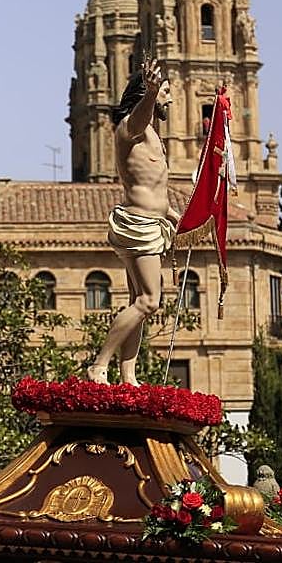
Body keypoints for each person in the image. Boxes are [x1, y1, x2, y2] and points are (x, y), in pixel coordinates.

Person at [88, 57, 179, 385]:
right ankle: (99, 364)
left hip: (154, 223)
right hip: (139, 227)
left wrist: (177, 217)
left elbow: (155, 189)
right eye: (166, 92)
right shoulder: (130, 128)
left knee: (136, 301)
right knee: (150, 301)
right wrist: (152, 93)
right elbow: (139, 119)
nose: (170, 98)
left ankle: (128, 374)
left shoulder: (153, 135)